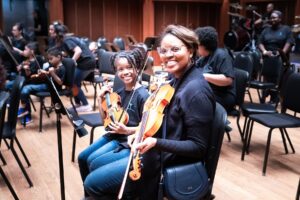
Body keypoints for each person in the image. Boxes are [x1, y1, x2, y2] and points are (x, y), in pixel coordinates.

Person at [125, 24, 215, 200]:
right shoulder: (176, 79)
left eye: (175, 49)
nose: (168, 55)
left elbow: (198, 147)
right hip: (155, 156)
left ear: (190, 50)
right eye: (164, 51)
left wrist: (155, 142)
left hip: (167, 168)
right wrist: (137, 132)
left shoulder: (196, 91)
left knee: (95, 184)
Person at [78, 48, 149, 199]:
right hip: (113, 135)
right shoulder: (120, 92)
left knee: (93, 161)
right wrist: (100, 100)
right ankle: (89, 195)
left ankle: (98, 191)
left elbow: (146, 128)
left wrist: (127, 130)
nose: (125, 72)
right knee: (82, 157)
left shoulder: (143, 95)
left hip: (126, 140)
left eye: (129, 67)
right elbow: (106, 122)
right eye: (120, 69)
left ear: (137, 67)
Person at [18, 46, 65, 124]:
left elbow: (60, 82)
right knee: (24, 88)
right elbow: (47, 73)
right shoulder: (52, 66)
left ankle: (23, 109)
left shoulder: (62, 68)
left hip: (52, 88)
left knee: (26, 89)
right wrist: (42, 73)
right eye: (49, 59)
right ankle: (24, 110)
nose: (49, 61)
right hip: (47, 85)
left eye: (51, 59)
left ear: (59, 57)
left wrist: (52, 73)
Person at [54, 24, 95, 112]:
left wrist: (71, 63)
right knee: (75, 82)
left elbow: (78, 51)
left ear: (57, 34)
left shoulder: (67, 40)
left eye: (52, 31)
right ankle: (78, 103)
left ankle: (86, 105)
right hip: (87, 62)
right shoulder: (69, 39)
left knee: (72, 82)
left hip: (86, 63)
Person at [258, 10, 295, 104]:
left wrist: (281, 53)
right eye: (271, 17)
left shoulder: (286, 29)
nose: (272, 19)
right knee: (267, 73)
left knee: (277, 72)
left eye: (274, 17)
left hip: (281, 58)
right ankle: (266, 93)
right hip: (268, 57)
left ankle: (274, 97)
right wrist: (265, 51)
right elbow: (260, 42)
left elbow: (289, 42)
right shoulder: (266, 30)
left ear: (280, 19)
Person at [195, 26, 235, 112]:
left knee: (194, 100)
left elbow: (228, 80)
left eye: (197, 45)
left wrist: (204, 76)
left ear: (204, 45)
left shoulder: (221, 55)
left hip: (224, 96)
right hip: (211, 92)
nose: (196, 47)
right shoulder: (204, 57)